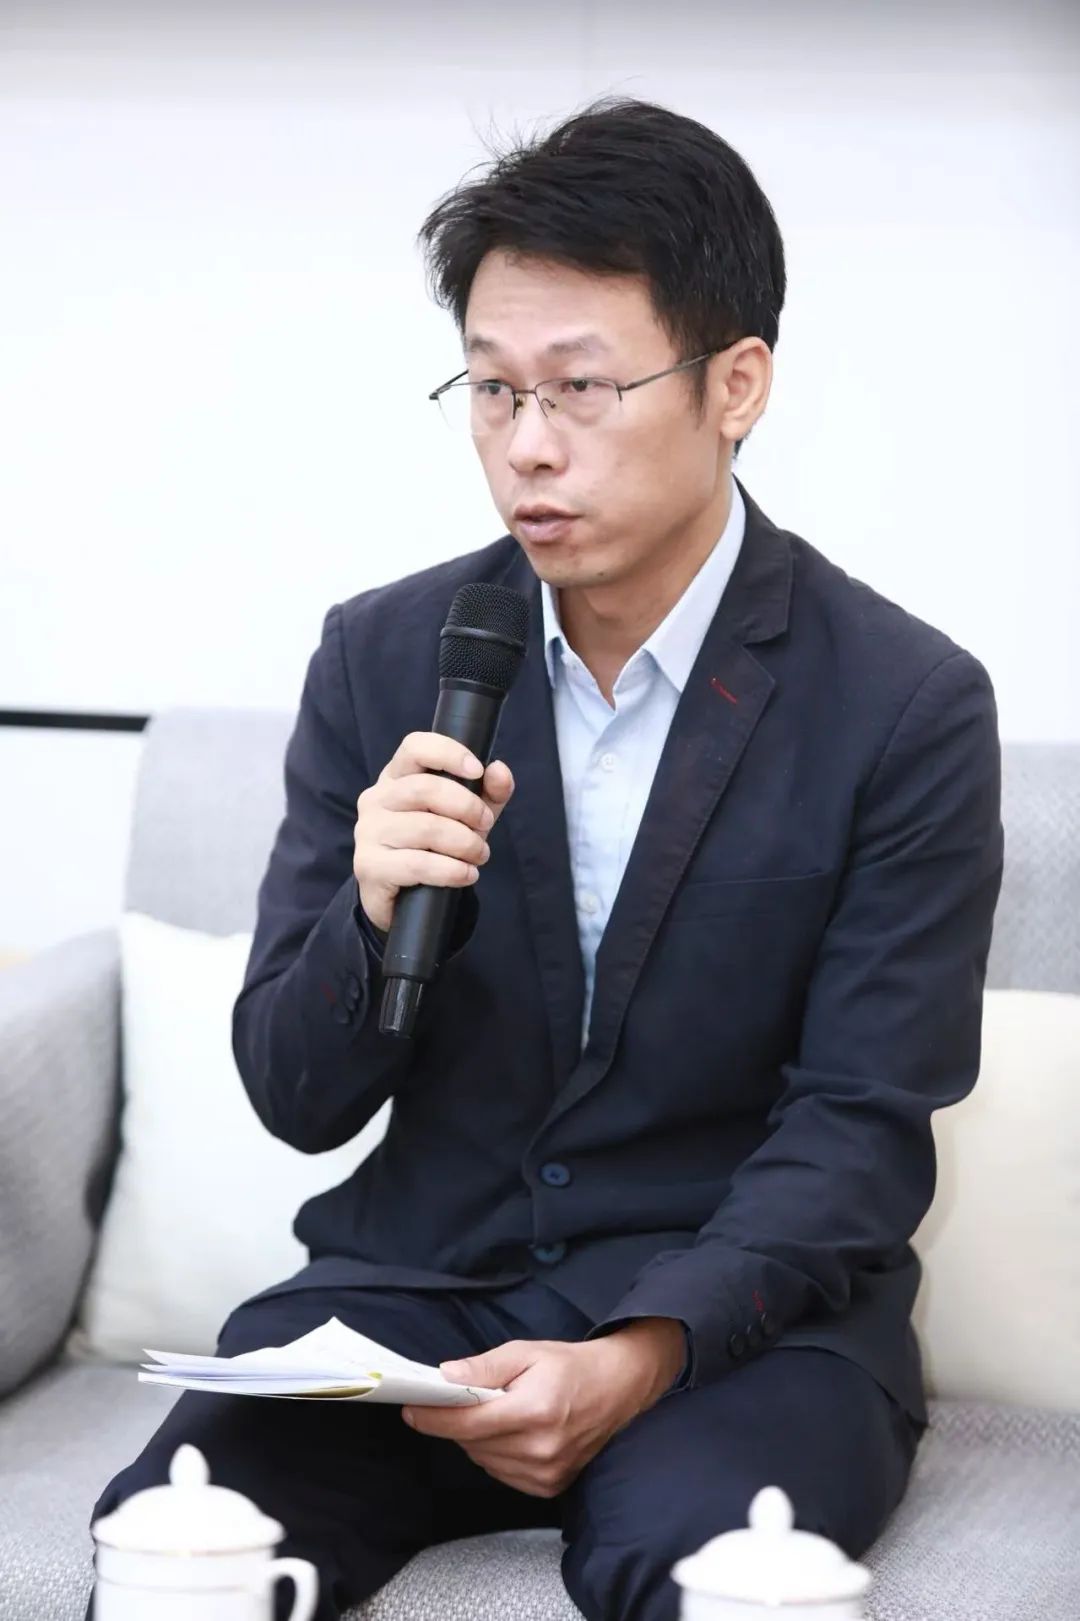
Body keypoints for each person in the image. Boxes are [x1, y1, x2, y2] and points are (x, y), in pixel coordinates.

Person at [88, 97, 1003, 1621]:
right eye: (494, 388)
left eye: (581, 387)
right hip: (417, 1301)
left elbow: (859, 1127)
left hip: (736, 1326)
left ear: (736, 384)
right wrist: (368, 913)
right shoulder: (388, 653)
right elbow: (295, 1094)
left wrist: (637, 1351)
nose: (527, 446)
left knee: (724, 1577)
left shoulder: (902, 702)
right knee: (182, 1548)